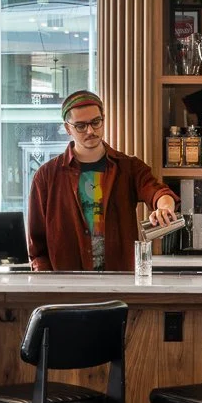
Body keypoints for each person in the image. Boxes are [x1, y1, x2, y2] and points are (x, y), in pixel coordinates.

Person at [26, 89, 178, 272]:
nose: (90, 131)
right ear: (67, 128)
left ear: (103, 120)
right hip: (67, 280)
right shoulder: (46, 176)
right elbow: (37, 246)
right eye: (81, 126)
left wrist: (164, 207)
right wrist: (47, 282)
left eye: (96, 122)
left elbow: (156, 191)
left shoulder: (128, 167)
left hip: (119, 277)